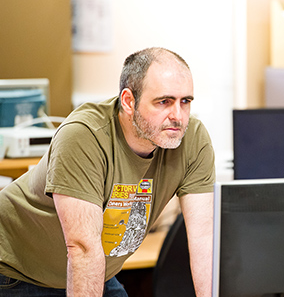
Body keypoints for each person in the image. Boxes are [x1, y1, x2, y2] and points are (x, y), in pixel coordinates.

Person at [0, 47, 215, 296]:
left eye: (185, 101)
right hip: (15, 272)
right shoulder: (83, 135)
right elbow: (82, 248)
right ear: (128, 101)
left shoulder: (193, 139)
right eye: (164, 102)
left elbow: (204, 239)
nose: (178, 116)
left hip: (95, 272)